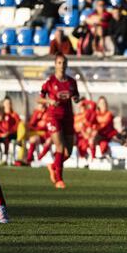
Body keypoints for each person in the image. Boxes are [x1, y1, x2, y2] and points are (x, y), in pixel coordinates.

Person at [38, 53, 80, 189]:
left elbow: (76, 96)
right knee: (60, 147)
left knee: (68, 152)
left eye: (64, 63)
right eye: (59, 63)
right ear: (55, 65)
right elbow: (39, 98)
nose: (62, 66)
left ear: (67, 65)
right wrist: (48, 100)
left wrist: (76, 99)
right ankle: (59, 179)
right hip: (53, 117)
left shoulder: (72, 82)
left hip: (68, 117)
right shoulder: (50, 82)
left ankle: (53, 166)